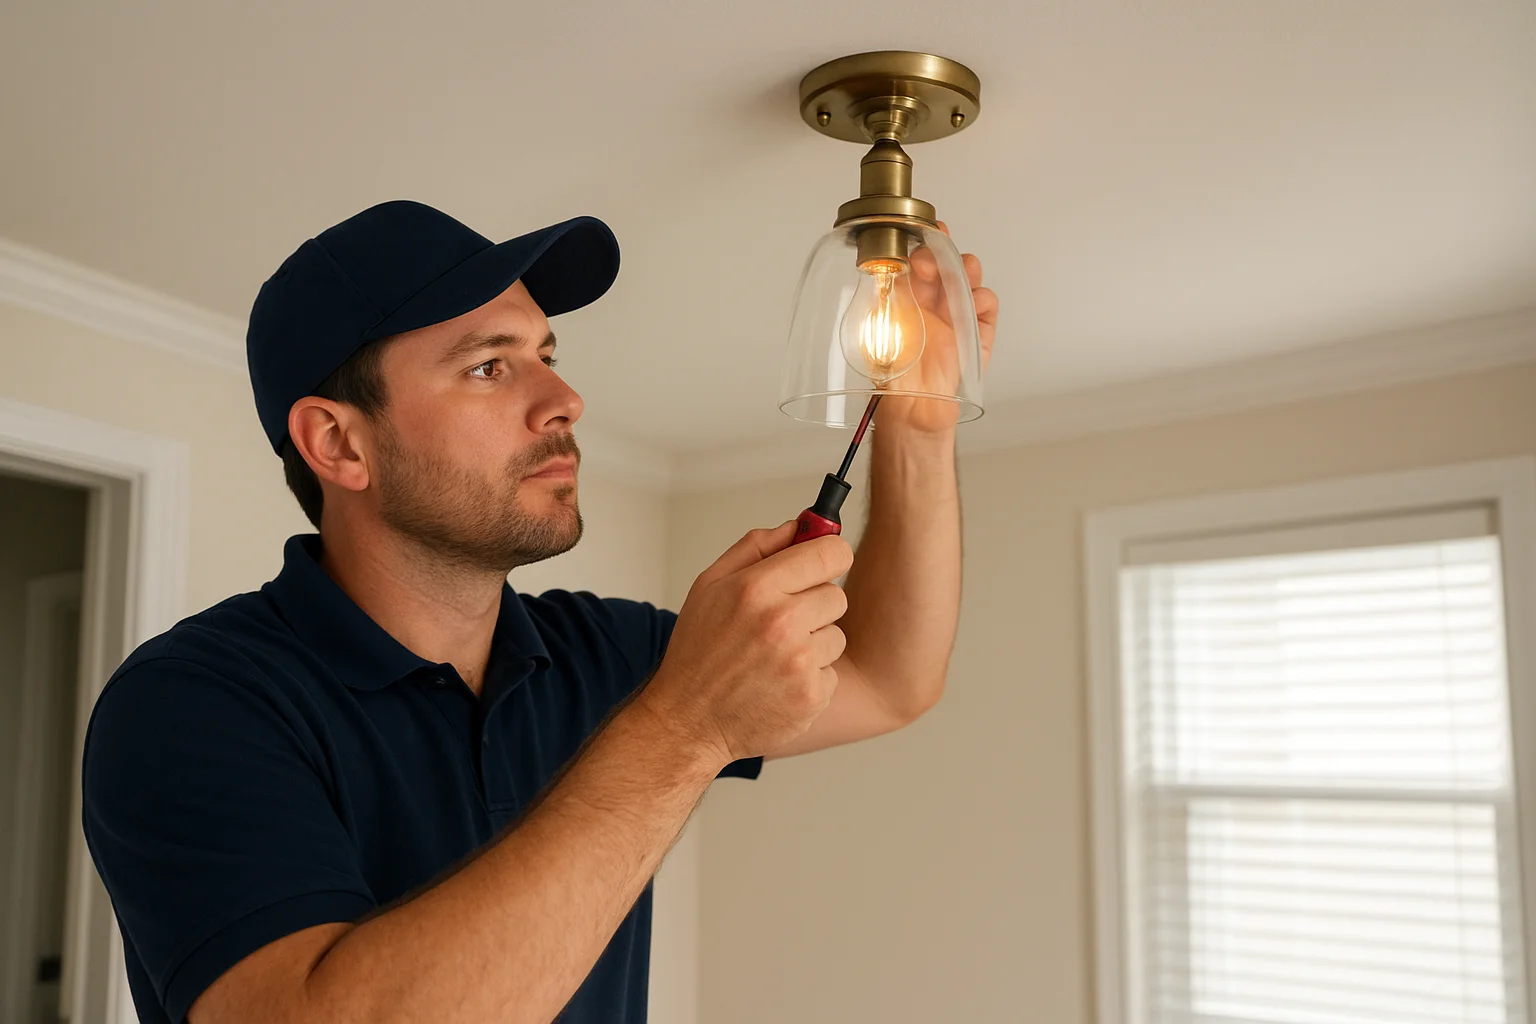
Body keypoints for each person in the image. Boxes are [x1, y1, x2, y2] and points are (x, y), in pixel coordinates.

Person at [81, 200, 998, 1024]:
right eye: (488, 367)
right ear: (338, 443)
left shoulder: (602, 652)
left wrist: (919, 426)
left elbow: (885, 676)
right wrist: (682, 728)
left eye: (546, 357)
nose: (565, 401)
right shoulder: (193, 704)